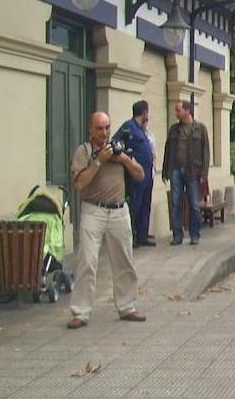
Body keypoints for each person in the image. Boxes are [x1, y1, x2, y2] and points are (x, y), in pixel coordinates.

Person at [67, 112, 147, 328]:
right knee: (88, 262)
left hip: (119, 211)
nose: (104, 133)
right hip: (94, 211)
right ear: (91, 130)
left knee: (124, 262)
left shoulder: (119, 148)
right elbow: (80, 184)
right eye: (99, 128)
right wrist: (99, 162)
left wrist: (122, 159)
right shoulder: (84, 152)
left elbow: (140, 175)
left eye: (107, 128)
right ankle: (81, 312)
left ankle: (127, 306)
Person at [161, 100, 210, 246]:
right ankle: (177, 235)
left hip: (193, 170)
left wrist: (204, 173)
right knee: (176, 203)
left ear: (188, 111)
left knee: (194, 204)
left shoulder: (200, 129)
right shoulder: (174, 129)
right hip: (175, 169)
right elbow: (167, 150)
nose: (176, 113)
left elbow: (206, 152)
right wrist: (165, 170)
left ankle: (195, 234)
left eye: (178, 110)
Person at [118, 100, 156, 248]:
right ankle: (132, 236)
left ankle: (142, 235)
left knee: (146, 204)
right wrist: (128, 159)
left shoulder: (142, 129)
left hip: (148, 174)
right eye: (147, 112)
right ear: (144, 112)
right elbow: (117, 142)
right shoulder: (129, 127)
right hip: (137, 175)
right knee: (136, 205)